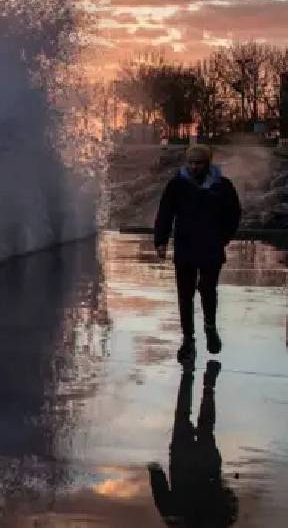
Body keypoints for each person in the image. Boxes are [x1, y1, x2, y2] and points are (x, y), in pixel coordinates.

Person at [154, 144, 242, 362]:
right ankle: (188, 340)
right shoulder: (177, 185)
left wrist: (224, 237)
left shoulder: (222, 186)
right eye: (191, 163)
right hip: (185, 247)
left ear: (208, 163)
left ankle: (210, 328)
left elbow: (234, 214)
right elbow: (165, 213)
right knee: (185, 294)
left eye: (199, 163)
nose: (194, 167)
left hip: (212, 248)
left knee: (208, 289)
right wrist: (161, 242)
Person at [147, 361, 238, 527]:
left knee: (206, 427)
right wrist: (155, 472)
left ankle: (208, 386)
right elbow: (163, 501)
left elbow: (230, 508)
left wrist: (222, 490)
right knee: (182, 416)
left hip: (207, 469)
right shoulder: (178, 524)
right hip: (183, 466)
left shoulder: (215, 524)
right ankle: (188, 373)